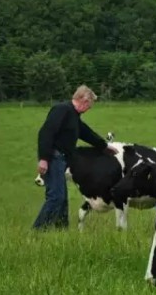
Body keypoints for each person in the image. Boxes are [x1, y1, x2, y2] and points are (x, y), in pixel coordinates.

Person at [32, 84, 118, 231]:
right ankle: (37, 231)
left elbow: (86, 133)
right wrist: (44, 159)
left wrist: (104, 146)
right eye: (89, 105)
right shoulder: (62, 110)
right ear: (83, 100)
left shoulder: (74, 116)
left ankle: (62, 232)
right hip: (53, 158)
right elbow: (46, 133)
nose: (89, 108)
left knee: (62, 199)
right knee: (56, 197)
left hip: (62, 160)